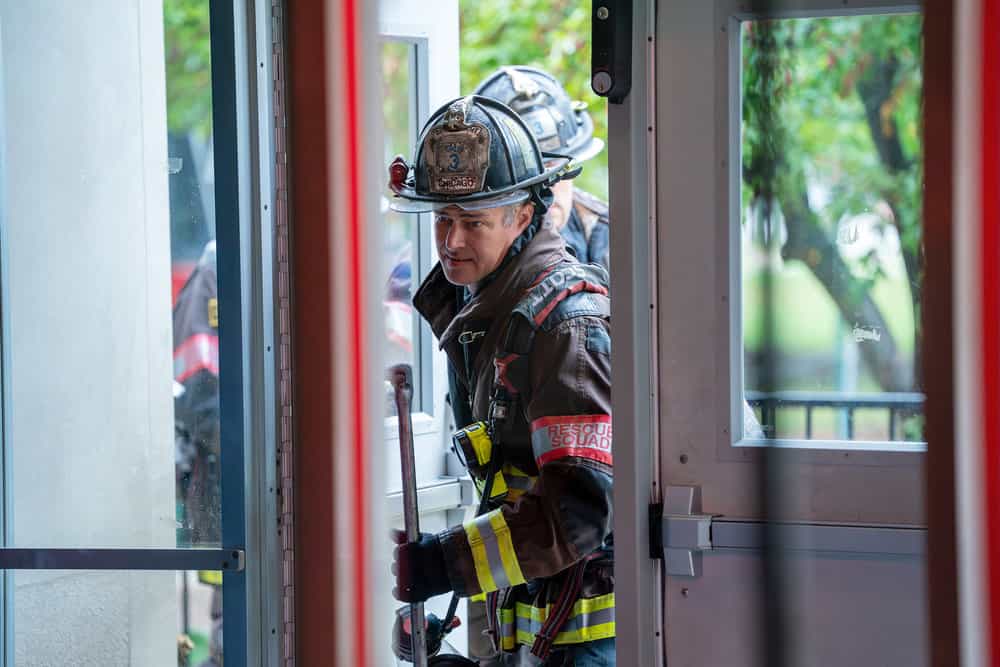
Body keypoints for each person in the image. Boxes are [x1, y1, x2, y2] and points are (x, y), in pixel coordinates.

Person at [388, 95, 615, 665]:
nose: (451, 241)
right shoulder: (486, 318)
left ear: (522, 216)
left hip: (591, 645)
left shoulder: (565, 326)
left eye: (473, 222)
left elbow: (577, 512)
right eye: (442, 219)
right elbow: (509, 492)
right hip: (537, 640)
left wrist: (445, 564)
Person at [474, 66, 609, 270]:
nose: (548, 188)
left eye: (558, 170)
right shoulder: (465, 244)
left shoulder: (605, 232)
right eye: (528, 176)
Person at [172, 240, 223, 667]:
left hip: (236, 477)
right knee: (235, 612)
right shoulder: (212, 279)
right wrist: (245, 449)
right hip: (223, 477)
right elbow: (197, 395)